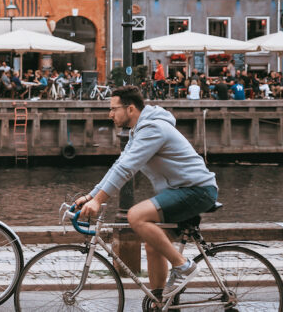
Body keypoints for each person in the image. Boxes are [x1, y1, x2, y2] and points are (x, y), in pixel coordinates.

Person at [75, 86, 218, 303]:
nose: (110, 114)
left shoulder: (153, 129)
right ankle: (161, 300)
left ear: (130, 109)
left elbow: (126, 169)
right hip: (180, 191)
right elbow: (119, 164)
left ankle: (184, 267)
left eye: (114, 109)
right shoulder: (139, 130)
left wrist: (98, 201)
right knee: (153, 244)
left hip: (196, 190)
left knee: (136, 216)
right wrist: (91, 196)